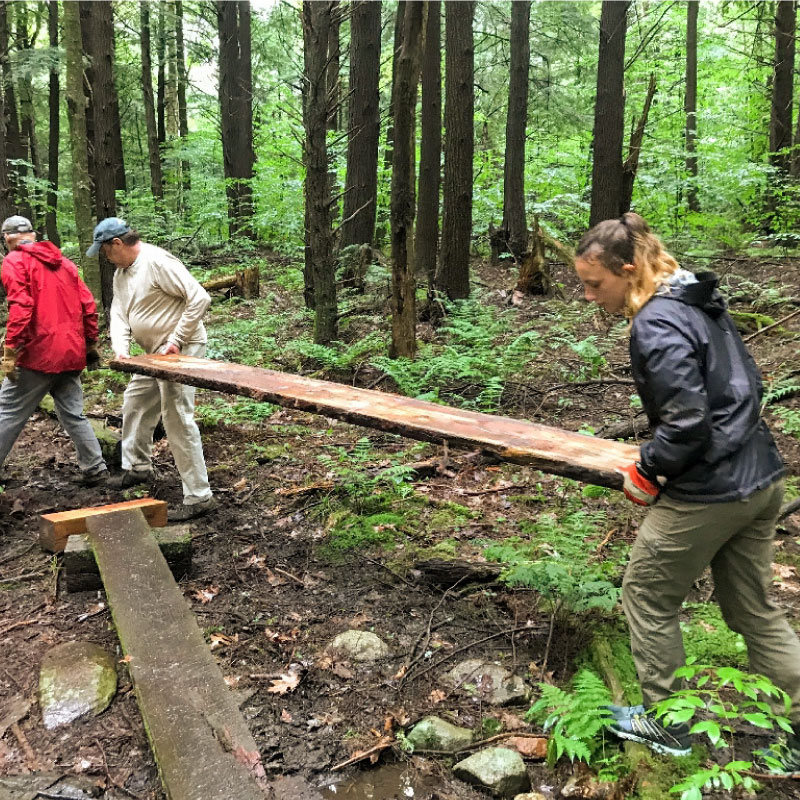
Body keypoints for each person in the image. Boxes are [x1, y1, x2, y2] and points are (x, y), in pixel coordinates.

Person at [574, 212, 800, 771]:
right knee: (754, 609)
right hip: (760, 477)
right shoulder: (699, 301)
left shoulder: (657, 322)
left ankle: (668, 723)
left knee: (646, 594)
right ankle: (794, 734)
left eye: (594, 284)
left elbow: (687, 420)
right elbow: (743, 388)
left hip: (711, 490)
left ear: (628, 271)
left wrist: (648, 469)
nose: (587, 296)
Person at [88, 217, 216, 522]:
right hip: (151, 355)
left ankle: (199, 497)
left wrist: (176, 340)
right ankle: (137, 467)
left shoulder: (157, 262)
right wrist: (121, 348)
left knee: (176, 417)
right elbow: (118, 312)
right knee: (136, 402)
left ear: (117, 244)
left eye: (105, 250)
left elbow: (199, 298)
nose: (105, 257)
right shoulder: (121, 273)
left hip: (181, 349)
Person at [0, 215, 108, 486]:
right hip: (71, 353)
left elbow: (22, 308)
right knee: (73, 414)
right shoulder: (66, 264)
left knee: (8, 411)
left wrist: (11, 350)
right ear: (33, 236)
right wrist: (90, 344)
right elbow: (88, 306)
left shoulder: (14, 261)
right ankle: (96, 469)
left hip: (38, 356)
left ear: (8, 239)